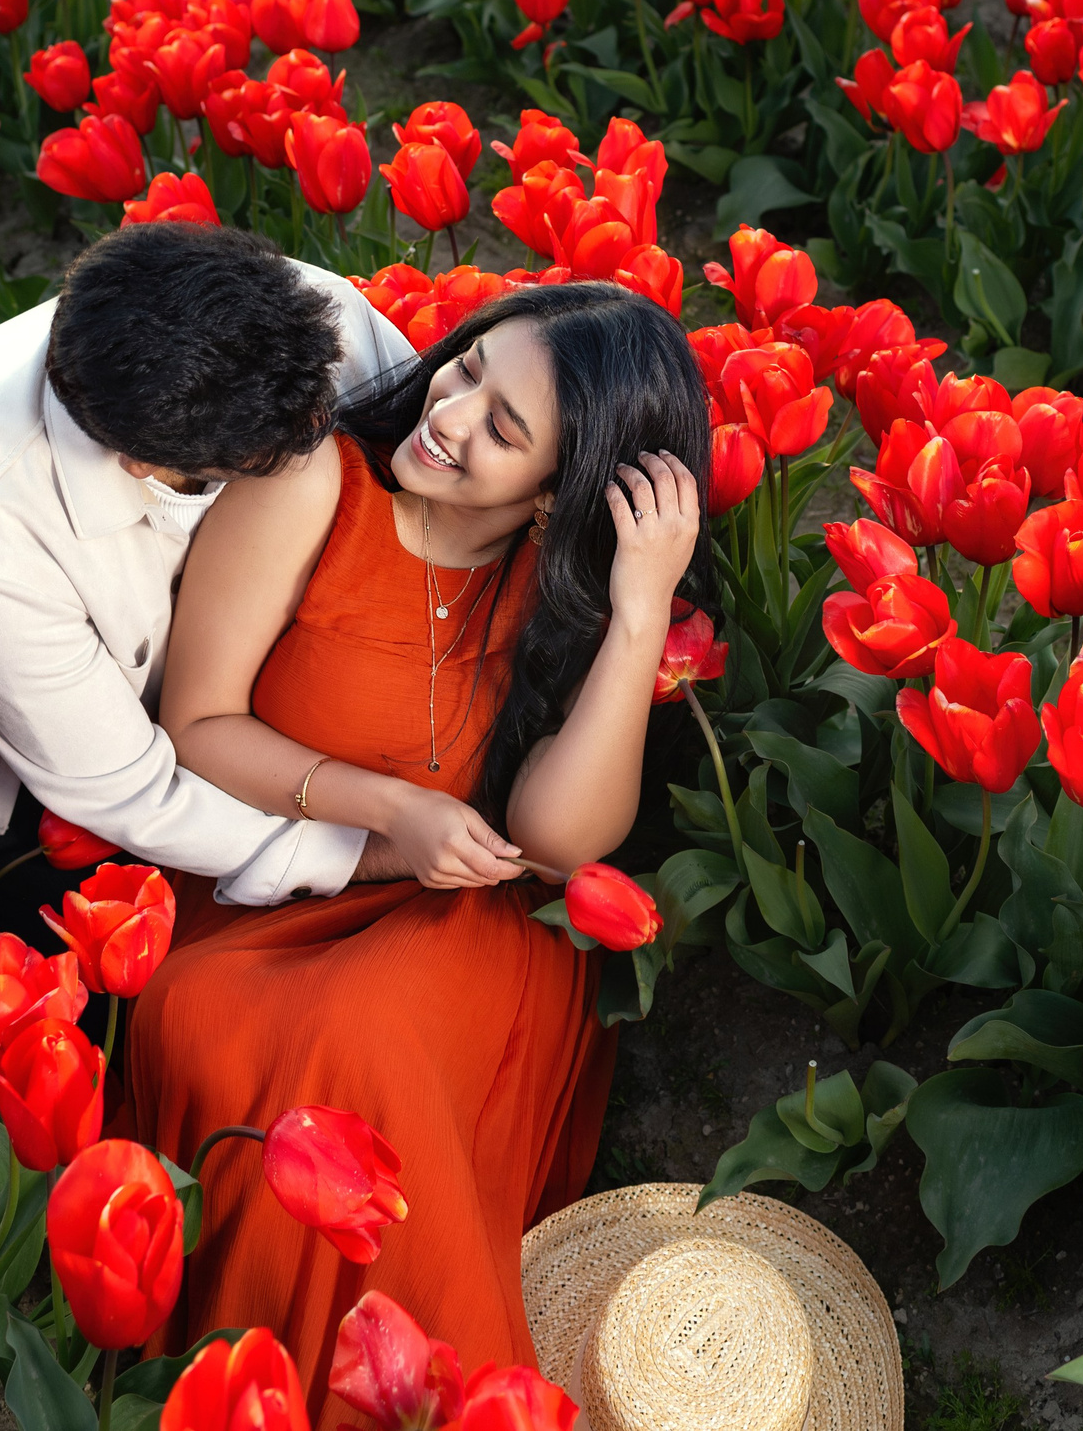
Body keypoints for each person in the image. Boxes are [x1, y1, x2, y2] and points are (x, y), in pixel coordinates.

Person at [124, 281, 713, 1412]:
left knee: (366, 1031)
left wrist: (641, 612)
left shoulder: (559, 591)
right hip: (269, 883)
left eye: (502, 429)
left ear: (555, 495)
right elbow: (194, 724)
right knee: (212, 1019)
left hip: (458, 917)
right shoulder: (312, 487)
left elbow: (552, 840)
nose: (449, 414)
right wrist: (385, 809)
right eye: (468, 370)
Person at [0, 223, 413, 944]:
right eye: (268, 466)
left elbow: (417, 446)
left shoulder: (305, 315)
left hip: (238, 692)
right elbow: (123, 788)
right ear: (140, 464)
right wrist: (363, 852)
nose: (323, 440)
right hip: (1, 757)